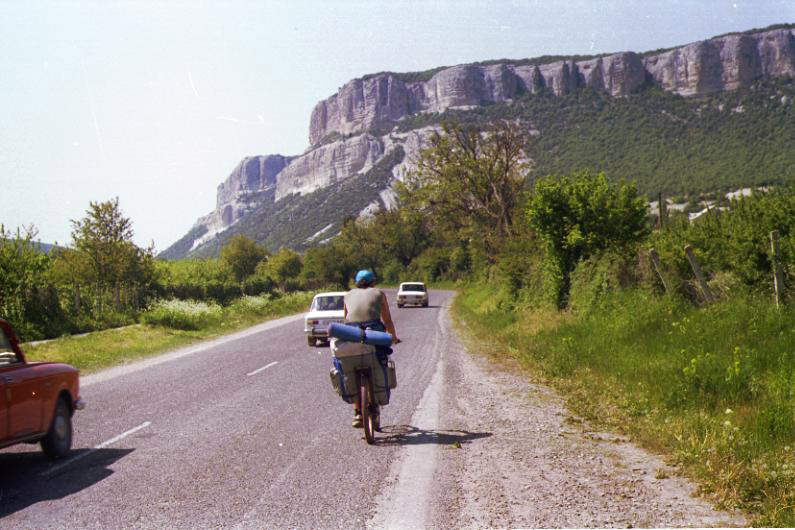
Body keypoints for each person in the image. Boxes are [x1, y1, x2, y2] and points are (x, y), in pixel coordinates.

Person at [343, 269, 399, 428]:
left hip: (353, 333)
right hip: (374, 334)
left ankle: (357, 412)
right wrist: (393, 337)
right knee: (381, 360)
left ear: (356, 283)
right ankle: (376, 399)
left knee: (350, 368)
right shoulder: (379, 293)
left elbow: (345, 319)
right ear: (373, 282)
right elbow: (387, 320)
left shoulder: (347, 295)